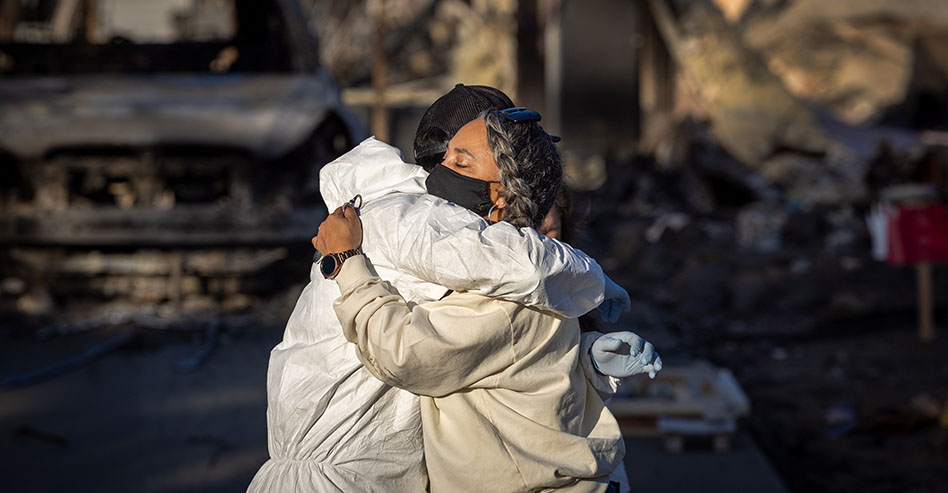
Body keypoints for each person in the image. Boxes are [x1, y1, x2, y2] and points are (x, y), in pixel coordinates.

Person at [248, 86, 660, 492]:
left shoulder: (489, 268)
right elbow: (416, 349)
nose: (443, 176)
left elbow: (510, 356)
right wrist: (594, 281)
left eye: (460, 164)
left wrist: (583, 354)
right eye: (447, 161)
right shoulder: (424, 227)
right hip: (340, 473)